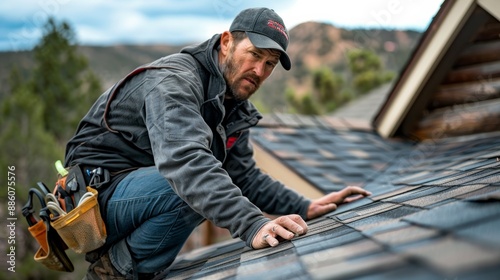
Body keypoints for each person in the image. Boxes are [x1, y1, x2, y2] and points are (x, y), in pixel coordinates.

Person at [65, 7, 371, 279]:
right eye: (254, 55)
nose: (260, 71)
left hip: (139, 193)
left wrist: (305, 206)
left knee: (204, 181)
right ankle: (113, 272)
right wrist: (252, 225)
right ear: (227, 42)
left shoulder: (235, 107)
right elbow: (185, 163)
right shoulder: (174, 81)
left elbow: (245, 176)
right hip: (95, 198)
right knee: (190, 184)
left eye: (270, 64)